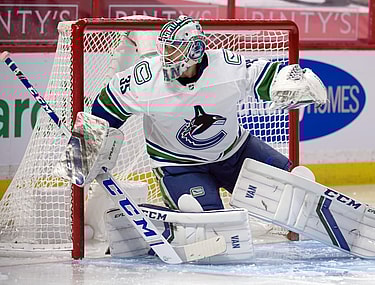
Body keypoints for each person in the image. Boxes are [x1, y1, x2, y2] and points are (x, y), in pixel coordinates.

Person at [91, 15, 326, 212]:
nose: (166, 58)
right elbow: (105, 107)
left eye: (174, 50)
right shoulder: (146, 80)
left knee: (293, 191)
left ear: (195, 49)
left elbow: (263, 76)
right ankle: (167, 226)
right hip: (180, 164)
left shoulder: (226, 67)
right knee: (206, 220)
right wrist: (92, 143)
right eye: (165, 49)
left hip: (235, 152)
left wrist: (291, 82)